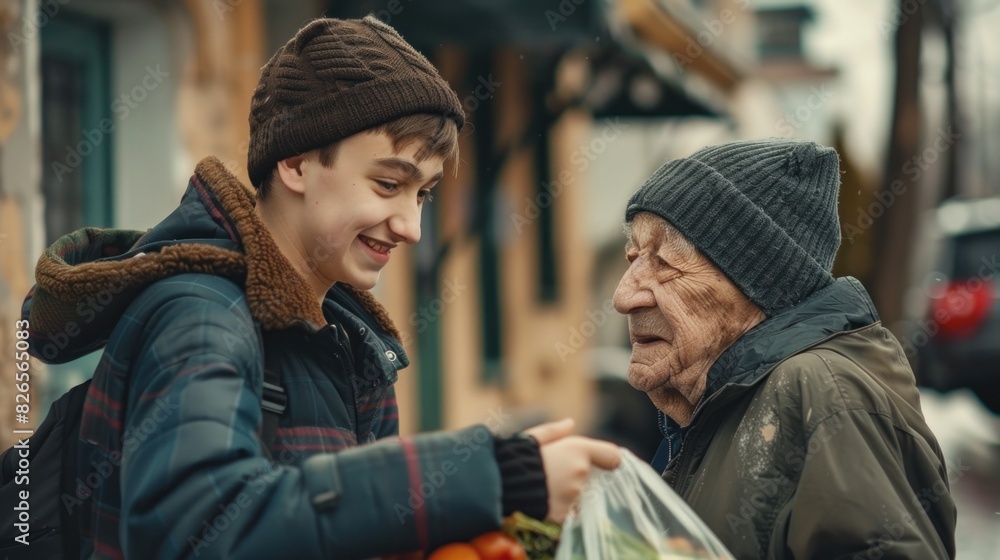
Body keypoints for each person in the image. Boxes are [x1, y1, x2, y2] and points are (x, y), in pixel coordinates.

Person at [22, 16, 619, 559]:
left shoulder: (347, 339)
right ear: (296, 164)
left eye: (424, 194)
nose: (412, 227)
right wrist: (492, 475)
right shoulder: (202, 316)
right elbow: (199, 531)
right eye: (389, 184)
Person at [612, 139, 956, 558]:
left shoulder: (823, 394)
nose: (624, 296)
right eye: (633, 258)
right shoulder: (719, 403)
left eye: (664, 263)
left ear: (756, 284)